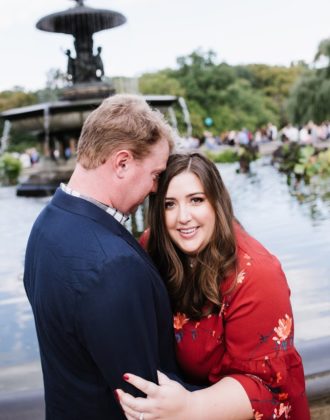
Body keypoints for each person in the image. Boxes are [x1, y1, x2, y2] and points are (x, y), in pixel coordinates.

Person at [24, 94, 187, 419]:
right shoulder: (113, 265)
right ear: (122, 163)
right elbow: (144, 400)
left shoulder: (45, 224)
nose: (156, 189)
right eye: (155, 175)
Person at [117, 152, 310, 419]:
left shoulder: (257, 275)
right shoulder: (153, 246)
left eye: (196, 200)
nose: (183, 217)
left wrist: (188, 407)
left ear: (217, 203)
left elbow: (267, 388)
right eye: (169, 204)